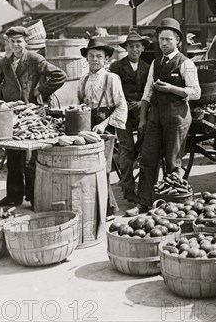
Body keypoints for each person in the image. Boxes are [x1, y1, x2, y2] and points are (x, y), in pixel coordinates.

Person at [125, 18, 201, 217]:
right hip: (155, 116)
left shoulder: (186, 63)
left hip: (177, 117)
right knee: (147, 159)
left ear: (178, 41)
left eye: (168, 39)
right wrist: (143, 119)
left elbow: (196, 92)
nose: (164, 43)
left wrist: (172, 89)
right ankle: (143, 203)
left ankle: (170, 206)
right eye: (161, 40)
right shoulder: (155, 63)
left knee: (172, 162)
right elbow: (147, 93)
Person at [0, 26, 67, 207]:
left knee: (31, 159)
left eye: (19, 41)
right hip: (12, 114)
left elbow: (59, 75)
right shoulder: (5, 62)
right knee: (13, 157)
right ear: (8, 43)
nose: (16, 45)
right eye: (12, 41)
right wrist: (2, 94)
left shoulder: (34, 59)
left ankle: (34, 197)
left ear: (26, 42)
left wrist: (41, 89)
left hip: (31, 113)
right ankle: (13, 196)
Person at [78, 37, 128, 220]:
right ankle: (93, 208)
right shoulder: (83, 80)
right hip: (87, 125)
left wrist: (104, 124)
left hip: (105, 126)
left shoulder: (111, 78)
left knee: (103, 169)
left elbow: (121, 106)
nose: (94, 60)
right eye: (91, 56)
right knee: (88, 167)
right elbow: (80, 103)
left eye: (98, 56)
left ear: (106, 60)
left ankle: (107, 210)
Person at [108, 31, 151, 203]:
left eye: (137, 46)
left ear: (142, 49)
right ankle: (128, 188)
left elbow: (149, 91)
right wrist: (124, 104)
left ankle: (144, 184)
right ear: (126, 48)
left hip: (141, 111)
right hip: (122, 111)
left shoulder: (147, 68)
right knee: (126, 149)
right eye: (131, 46)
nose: (134, 49)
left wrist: (142, 103)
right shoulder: (116, 67)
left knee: (145, 144)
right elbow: (113, 91)